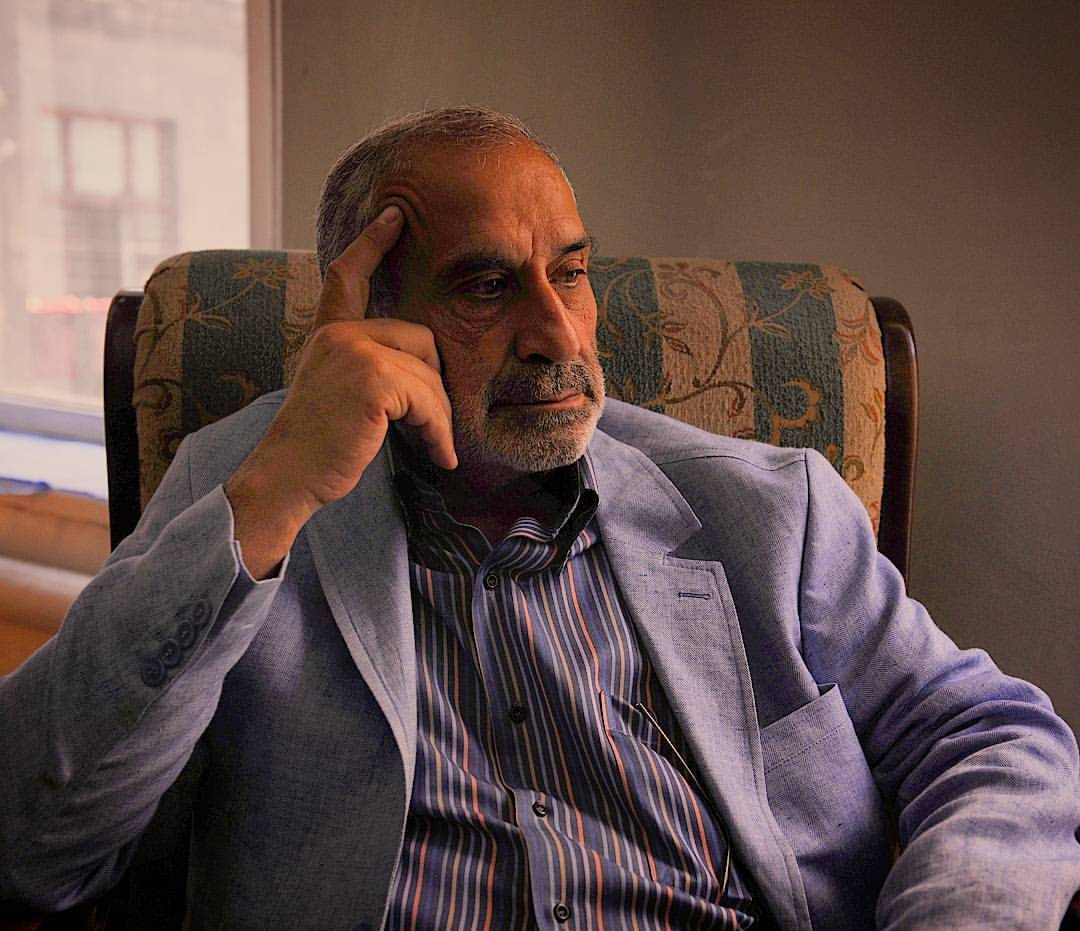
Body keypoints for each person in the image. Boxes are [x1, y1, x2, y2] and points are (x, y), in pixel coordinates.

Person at [1, 107, 1078, 930]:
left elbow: (994, 737)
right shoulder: (247, 491)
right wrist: (276, 494)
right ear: (371, 317)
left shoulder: (766, 511)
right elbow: (33, 843)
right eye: (485, 286)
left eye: (570, 272)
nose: (557, 333)